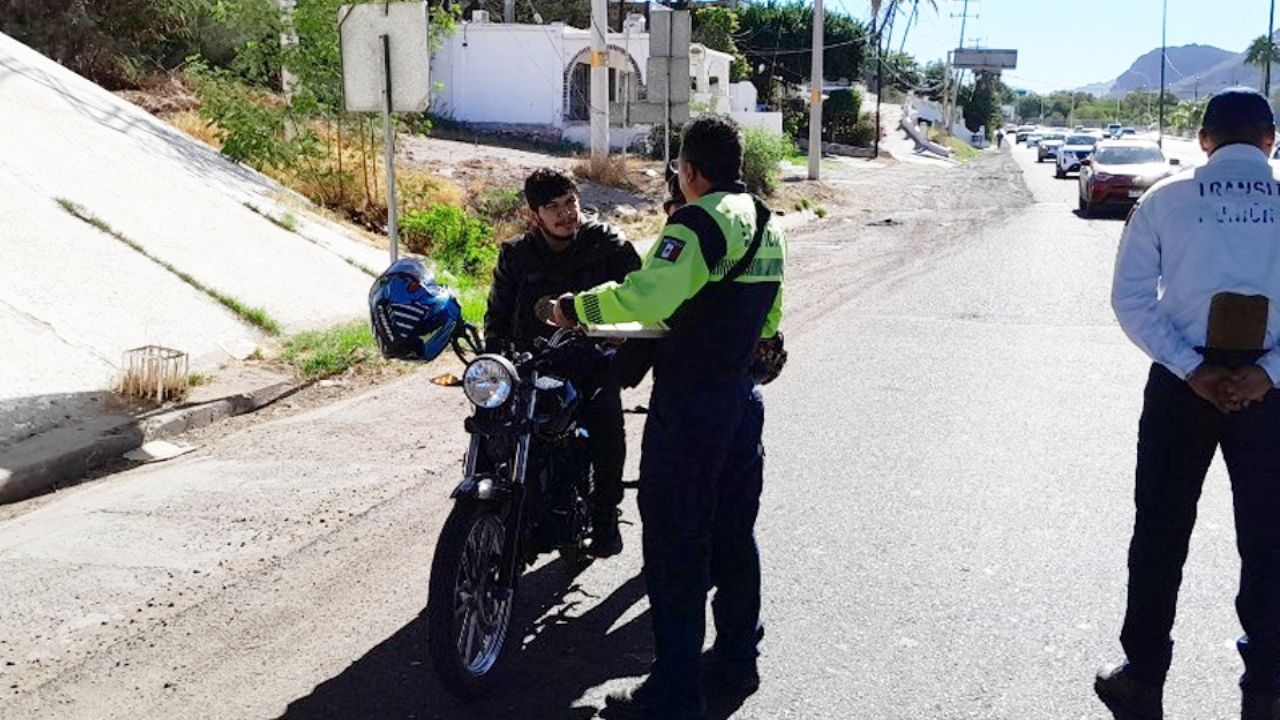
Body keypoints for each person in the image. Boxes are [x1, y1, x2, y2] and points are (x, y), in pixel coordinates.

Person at [549, 116, 786, 720]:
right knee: (734, 536)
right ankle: (738, 658)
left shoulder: (699, 221)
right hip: (742, 400)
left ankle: (674, 691)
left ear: (689, 170)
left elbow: (647, 297)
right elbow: (769, 319)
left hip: (692, 408)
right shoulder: (765, 223)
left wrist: (576, 308)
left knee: (677, 544)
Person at [1100, 87, 1280, 720]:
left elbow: (1131, 301)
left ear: (1204, 140)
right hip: (1272, 397)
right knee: (1271, 538)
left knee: (1160, 530)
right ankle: (1268, 689)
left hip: (1182, 388)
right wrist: (1265, 375)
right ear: (1270, 141)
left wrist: (1192, 369)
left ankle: (1142, 677)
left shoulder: (1165, 198)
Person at [484, 167, 641, 558]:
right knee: (490, 417)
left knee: (605, 416)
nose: (566, 213)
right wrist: (497, 355)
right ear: (535, 215)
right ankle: (488, 509)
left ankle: (606, 515)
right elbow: (497, 315)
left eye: (570, 201)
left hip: (593, 360)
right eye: (553, 207)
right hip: (532, 364)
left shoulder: (608, 245)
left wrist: (619, 336)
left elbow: (638, 296)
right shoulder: (517, 255)